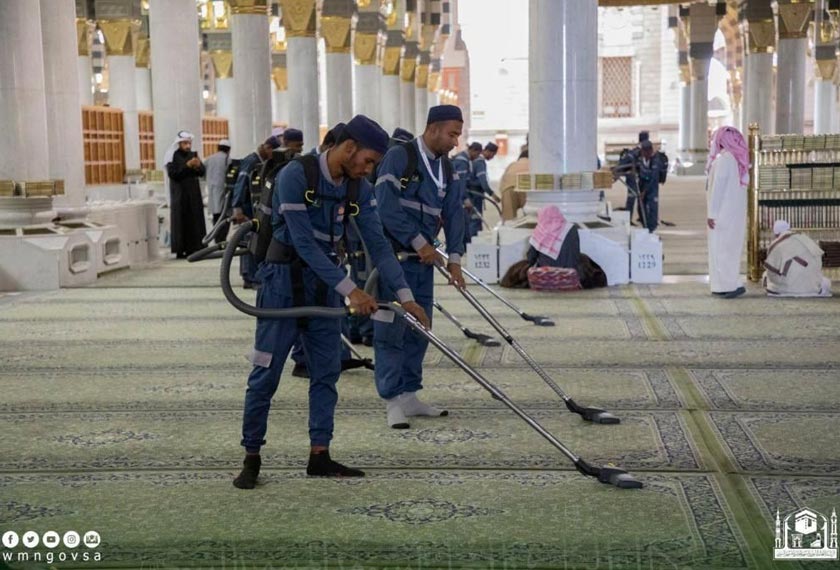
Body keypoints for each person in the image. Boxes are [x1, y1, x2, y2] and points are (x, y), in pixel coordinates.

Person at [233, 115, 429, 489]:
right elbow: (303, 244)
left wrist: (406, 296)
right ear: (350, 148)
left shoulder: (359, 188)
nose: (369, 169)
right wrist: (351, 291)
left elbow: (378, 244)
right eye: (368, 161)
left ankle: (319, 454)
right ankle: (252, 456)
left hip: (325, 288)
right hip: (282, 287)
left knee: (326, 373)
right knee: (265, 375)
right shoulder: (296, 175)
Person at [373, 104, 467, 430]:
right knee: (390, 329)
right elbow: (385, 207)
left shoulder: (448, 168)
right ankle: (391, 400)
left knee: (421, 328)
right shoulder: (401, 158)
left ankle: (410, 394)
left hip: (423, 265)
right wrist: (418, 242)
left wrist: (455, 259)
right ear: (433, 128)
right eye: (452, 133)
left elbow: (455, 213)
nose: (456, 141)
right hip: (393, 260)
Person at [232, 136, 283, 288]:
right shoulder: (252, 161)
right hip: (247, 209)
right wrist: (238, 208)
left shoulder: (261, 162)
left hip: (255, 209)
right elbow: (240, 184)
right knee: (249, 241)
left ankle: (251, 276)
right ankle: (249, 277)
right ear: (267, 148)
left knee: (252, 241)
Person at [706, 126, 750, 299]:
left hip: (722, 214)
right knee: (728, 249)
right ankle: (724, 285)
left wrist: (712, 213)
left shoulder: (725, 159)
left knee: (721, 249)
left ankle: (729, 284)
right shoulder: (736, 160)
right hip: (733, 214)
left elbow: (718, 188)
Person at [763, 220, 832, 297]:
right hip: (812, 286)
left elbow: (771, 271)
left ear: (776, 233)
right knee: (825, 281)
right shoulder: (805, 239)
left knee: (766, 275)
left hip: (788, 287)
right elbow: (818, 261)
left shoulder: (776, 244)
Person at [165, 130, 206, 258]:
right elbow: (173, 174)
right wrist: (187, 165)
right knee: (181, 221)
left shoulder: (193, 155)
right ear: (179, 143)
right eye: (185, 143)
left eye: (189, 143)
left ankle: (195, 247)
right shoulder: (173, 156)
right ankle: (180, 249)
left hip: (193, 195)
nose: (187, 146)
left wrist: (199, 166)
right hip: (180, 195)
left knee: (195, 220)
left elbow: (202, 172)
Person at [452, 142, 482, 246]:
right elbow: (460, 183)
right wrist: (465, 199)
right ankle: (460, 246)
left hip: (456, 196)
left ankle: (462, 246)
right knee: (462, 222)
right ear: (473, 151)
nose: (477, 157)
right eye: (477, 154)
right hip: (457, 198)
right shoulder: (462, 161)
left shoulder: (462, 158)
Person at [467, 142, 499, 237]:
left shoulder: (474, 160)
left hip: (471, 195)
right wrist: (493, 195)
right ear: (488, 151)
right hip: (475, 196)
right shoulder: (480, 162)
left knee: (472, 220)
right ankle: (473, 246)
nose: (492, 157)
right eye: (493, 155)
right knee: (475, 220)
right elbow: (483, 182)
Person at [204, 139, 231, 244]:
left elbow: (202, 174)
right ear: (228, 149)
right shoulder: (227, 159)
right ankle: (221, 240)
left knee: (216, 216)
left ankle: (216, 239)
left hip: (212, 192)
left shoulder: (209, 159)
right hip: (224, 193)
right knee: (224, 217)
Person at [499, 149, 529, 221]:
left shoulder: (512, 164)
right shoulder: (534, 164)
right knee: (530, 215)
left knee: (509, 219)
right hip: (526, 189)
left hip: (508, 189)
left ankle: (509, 231)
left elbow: (502, 181)